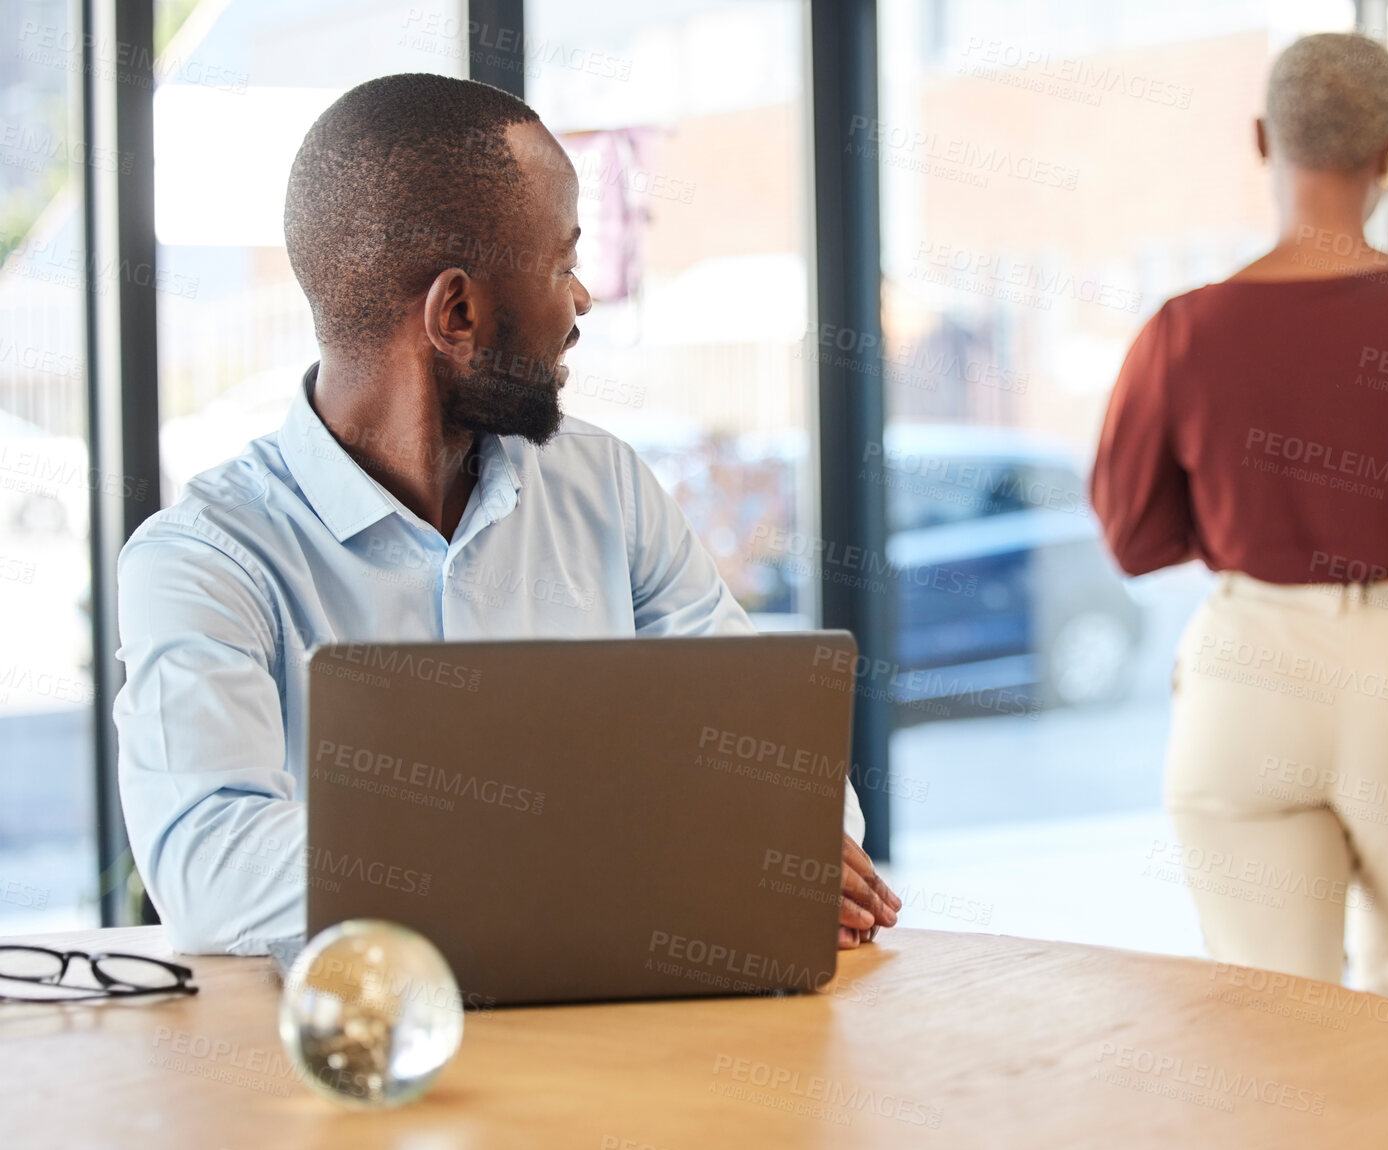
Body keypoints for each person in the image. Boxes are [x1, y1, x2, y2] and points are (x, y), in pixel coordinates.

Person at [114, 74, 899, 955]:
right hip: (365, 1068)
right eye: (564, 263)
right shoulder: (205, 559)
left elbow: (795, 799)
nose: (582, 303)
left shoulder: (605, 485)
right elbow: (209, 868)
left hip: (622, 1048)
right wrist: (627, 847)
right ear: (457, 312)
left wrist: (596, 852)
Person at [1091, 34, 1388, 1015]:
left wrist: (1257, 521)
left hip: (1249, 668)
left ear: (1265, 139)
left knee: (1279, 1024)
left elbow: (1136, 538)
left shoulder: (1185, 330)